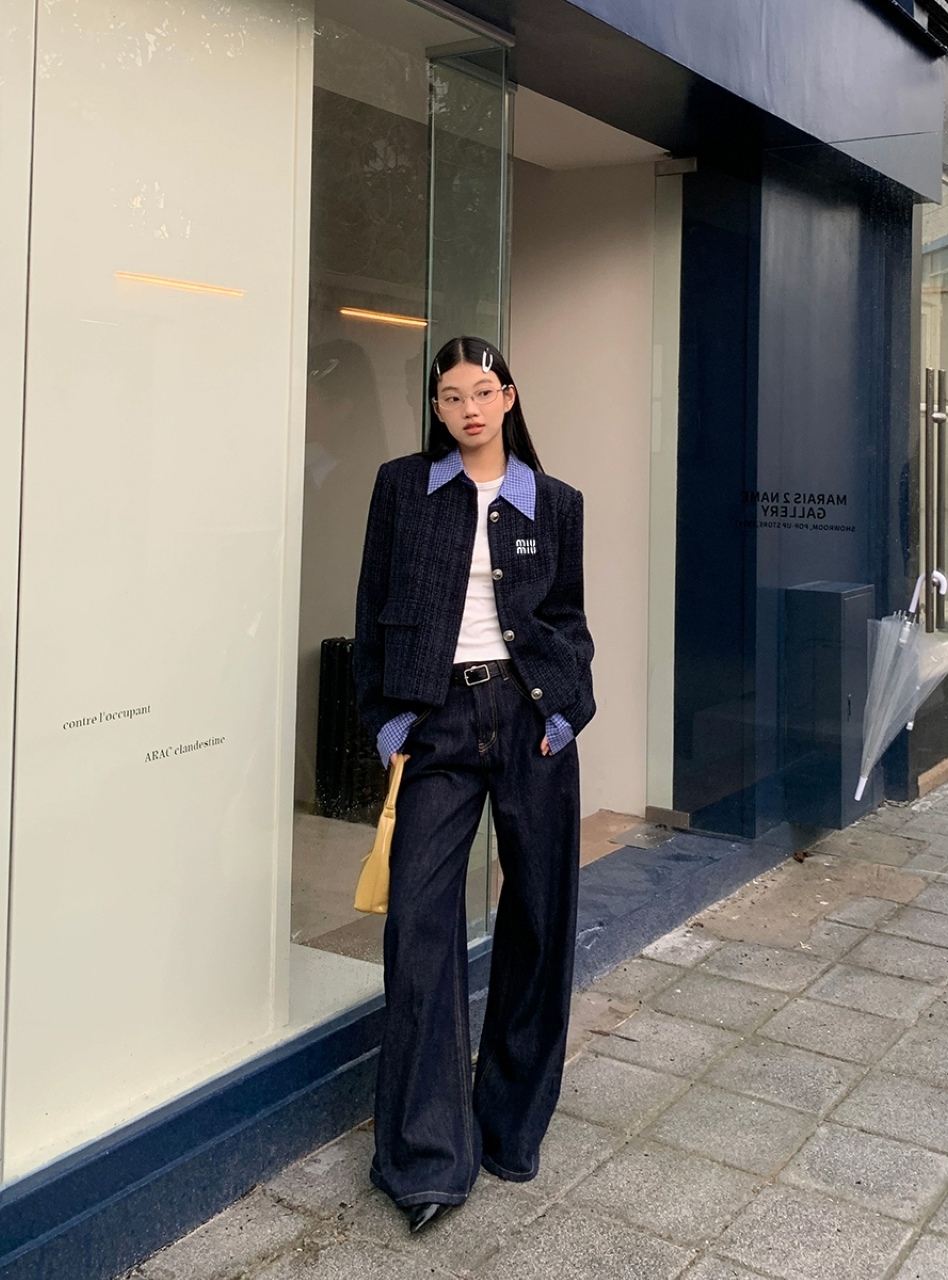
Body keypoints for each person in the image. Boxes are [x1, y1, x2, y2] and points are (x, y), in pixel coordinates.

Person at [353, 335, 595, 1233]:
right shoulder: (402, 489)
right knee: (419, 923)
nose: (469, 409)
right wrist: (389, 724)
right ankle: (425, 1157)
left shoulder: (553, 502)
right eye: (452, 396)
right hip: (438, 723)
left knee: (539, 917)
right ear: (437, 408)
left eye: (483, 392)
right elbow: (370, 609)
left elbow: (568, 619)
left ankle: (508, 1124)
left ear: (509, 397)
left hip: (531, 722)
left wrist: (567, 712)